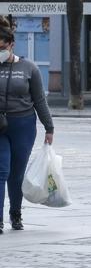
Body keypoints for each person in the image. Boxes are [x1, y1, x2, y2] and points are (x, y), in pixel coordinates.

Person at [0, 18, 55, 234]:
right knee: (1, 170)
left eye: (2, 47)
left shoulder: (29, 68)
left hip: (23, 124)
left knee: (16, 173)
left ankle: (16, 214)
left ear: (12, 44)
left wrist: (48, 128)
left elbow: (39, 100)